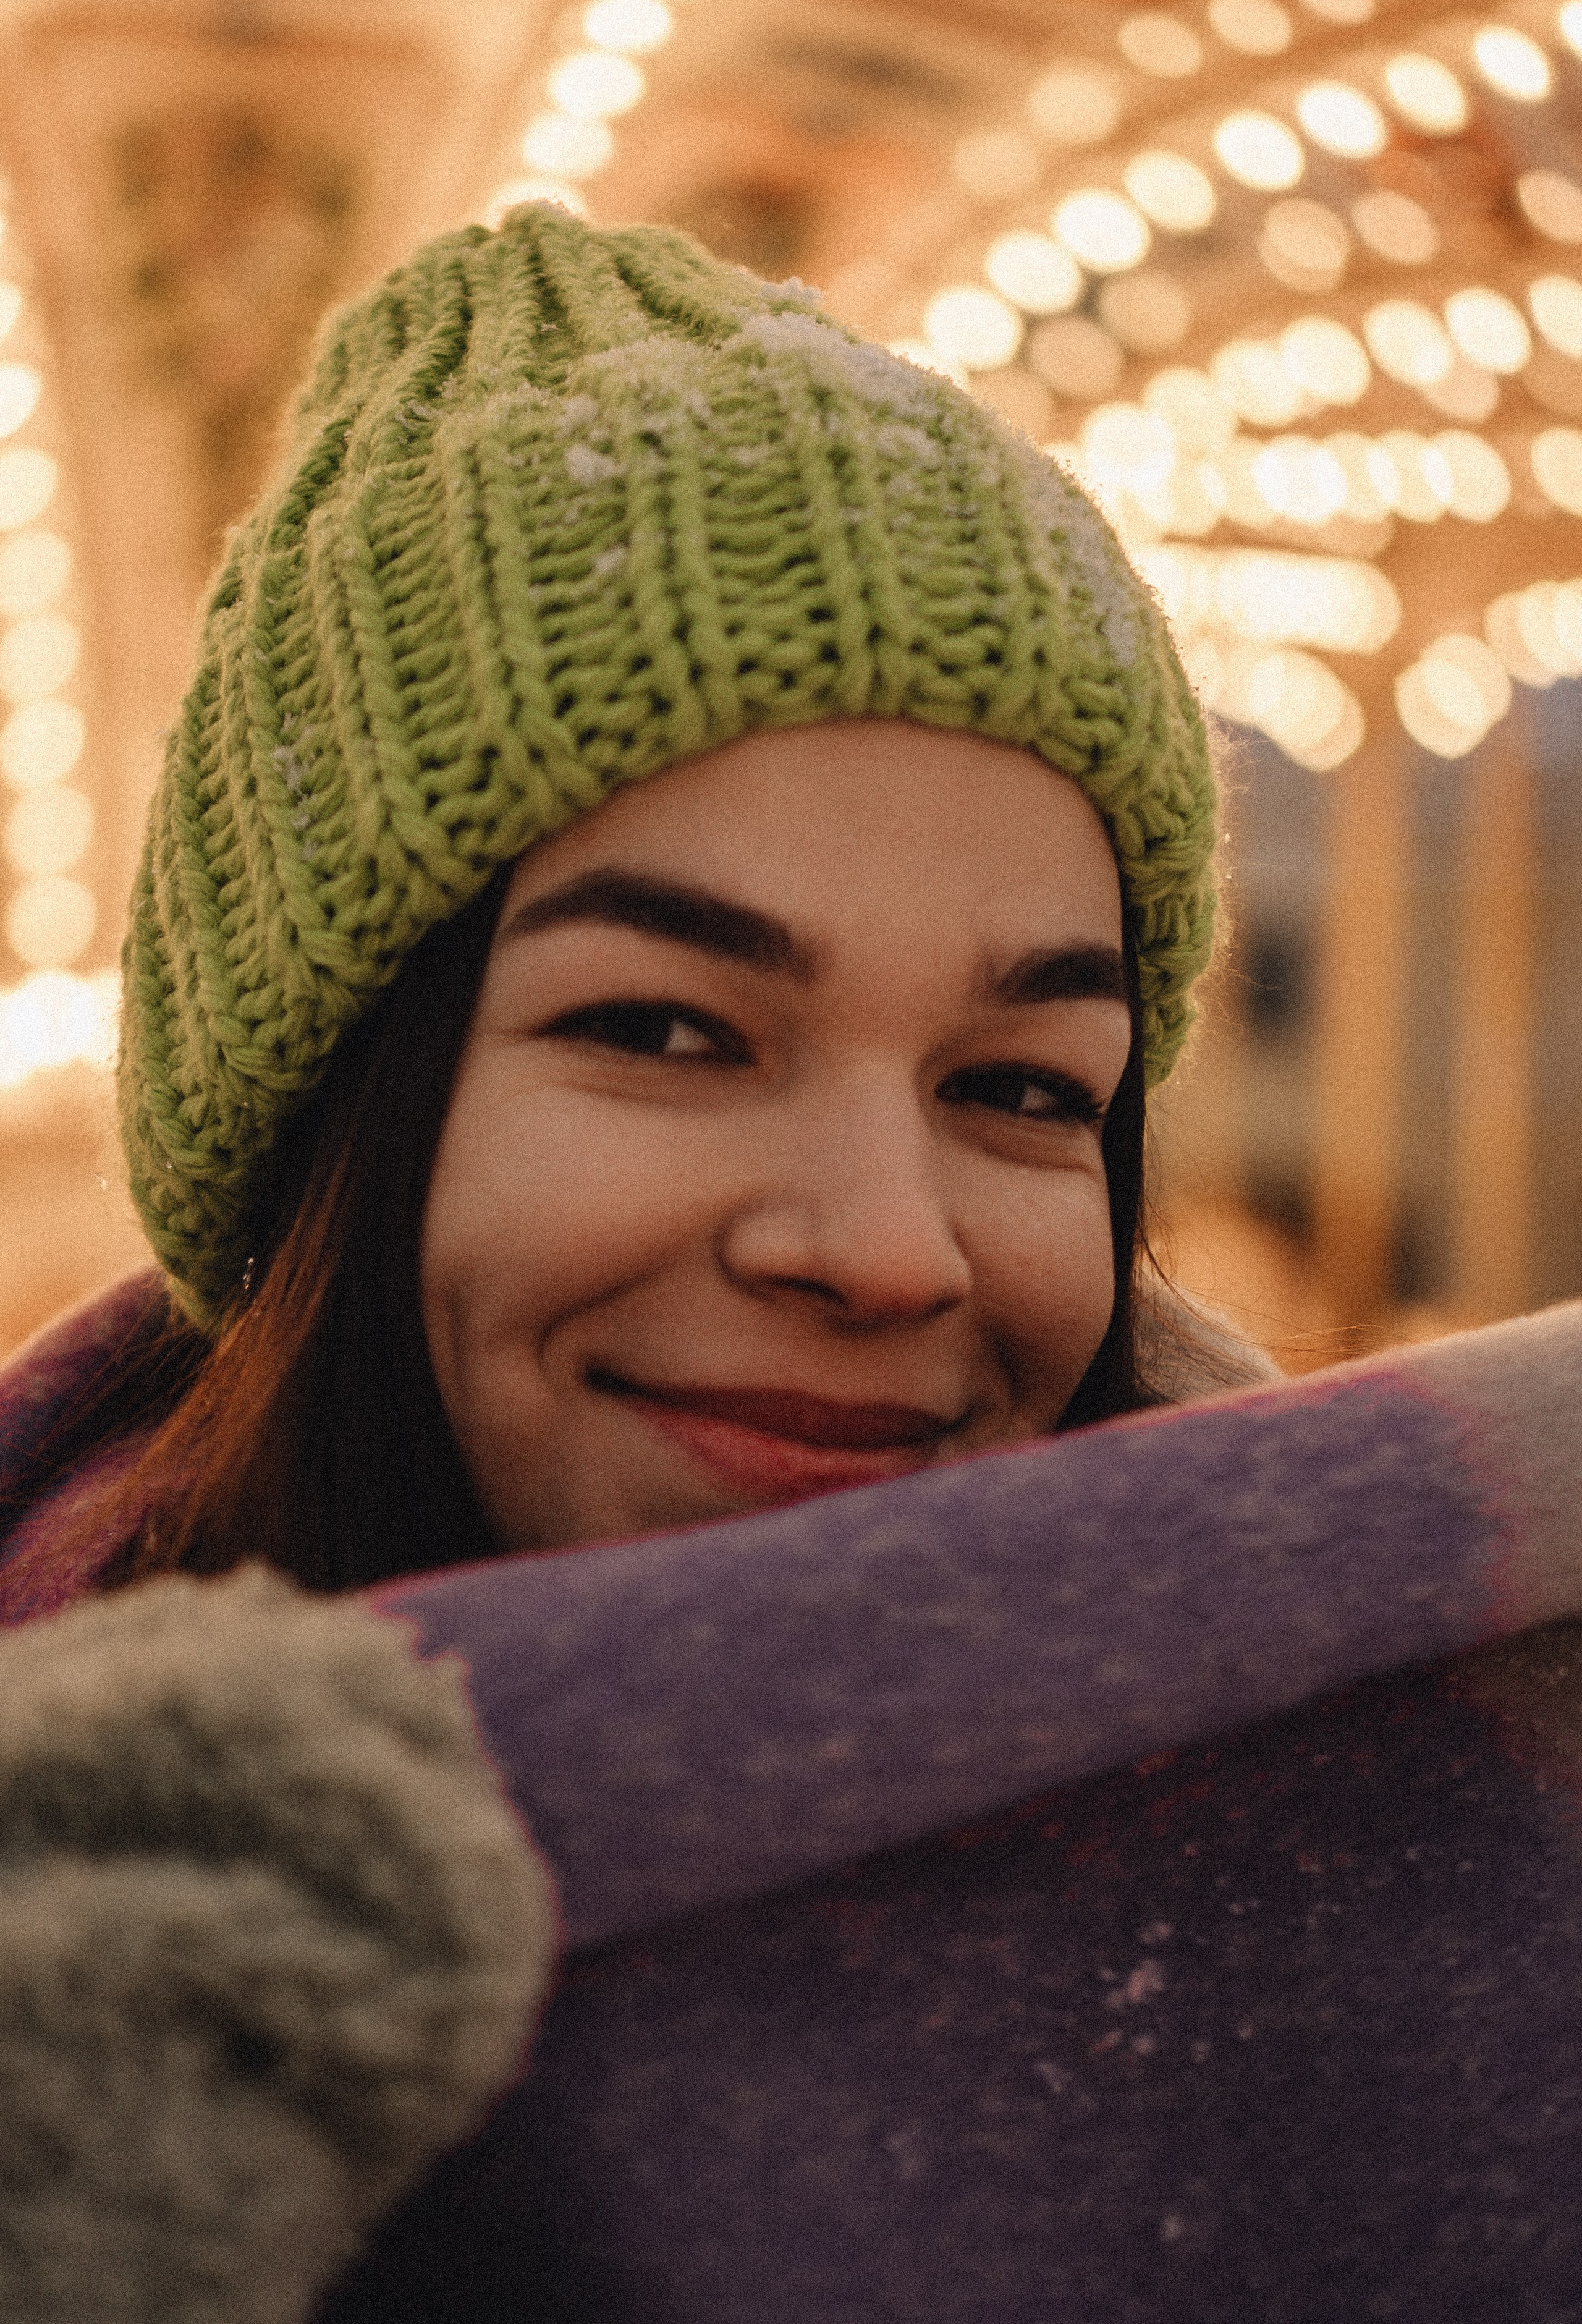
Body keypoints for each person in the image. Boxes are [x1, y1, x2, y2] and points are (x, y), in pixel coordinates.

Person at [1, 206, 1581, 2324]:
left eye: (1025, 1087)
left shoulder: (1417, 1858)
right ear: (328, 1125)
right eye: (663, 1029)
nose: (885, 1249)